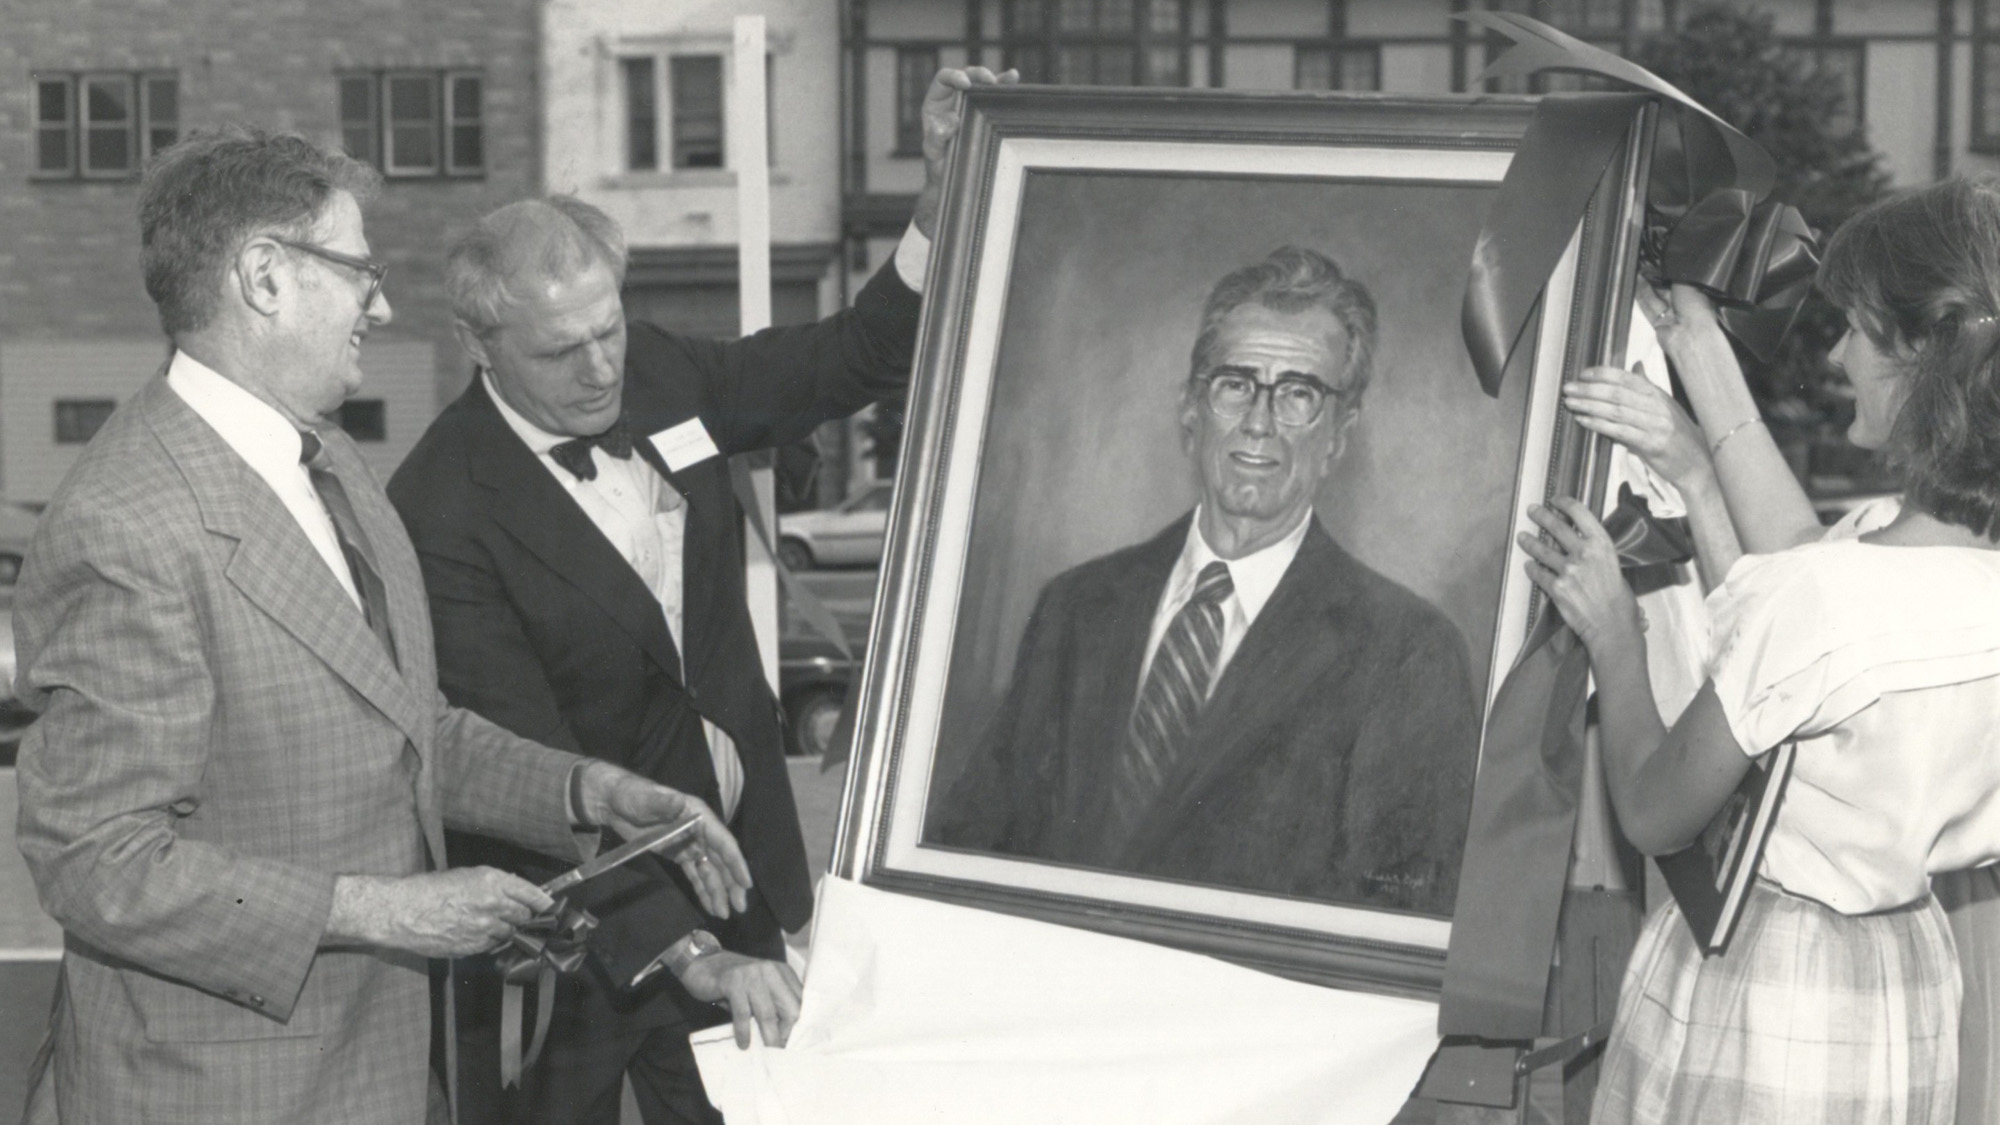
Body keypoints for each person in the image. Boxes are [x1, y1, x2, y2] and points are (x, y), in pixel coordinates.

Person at [10, 127, 755, 1125]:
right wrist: (380, 909)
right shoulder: (126, 522)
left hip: (385, 1068)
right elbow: (94, 859)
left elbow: (414, 729)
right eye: (359, 269)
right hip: (223, 1095)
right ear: (264, 279)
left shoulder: (332, 463)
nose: (383, 302)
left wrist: (592, 794)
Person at [385, 65, 1010, 1125]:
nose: (599, 370)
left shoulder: (665, 373)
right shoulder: (442, 505)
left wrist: (936, 204)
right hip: (571, 938)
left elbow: (845, 358)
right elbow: (527, 765)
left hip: (743, 885)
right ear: (481, 347)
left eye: (609, 329)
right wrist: (689, 951)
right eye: (562, 350)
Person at [1526, 177, 2000, 1123]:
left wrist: (1615, 633)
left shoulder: (1827, 599)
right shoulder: (1934, 570)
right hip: (1900, 978)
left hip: (1766, 984)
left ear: (1923, 359)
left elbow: (1656, 810)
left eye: (1858, 329)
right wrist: (1697, 399)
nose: (1837, 353)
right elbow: (1802, 588)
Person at [930, 246, 1480, 914]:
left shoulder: (1409, 654)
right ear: (1191, 407)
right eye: (1234, 384)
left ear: (1341, 434)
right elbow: (975, 843)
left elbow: (1401, 916)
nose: (1258, 421)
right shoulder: (1074, 608)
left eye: (1299, 394)